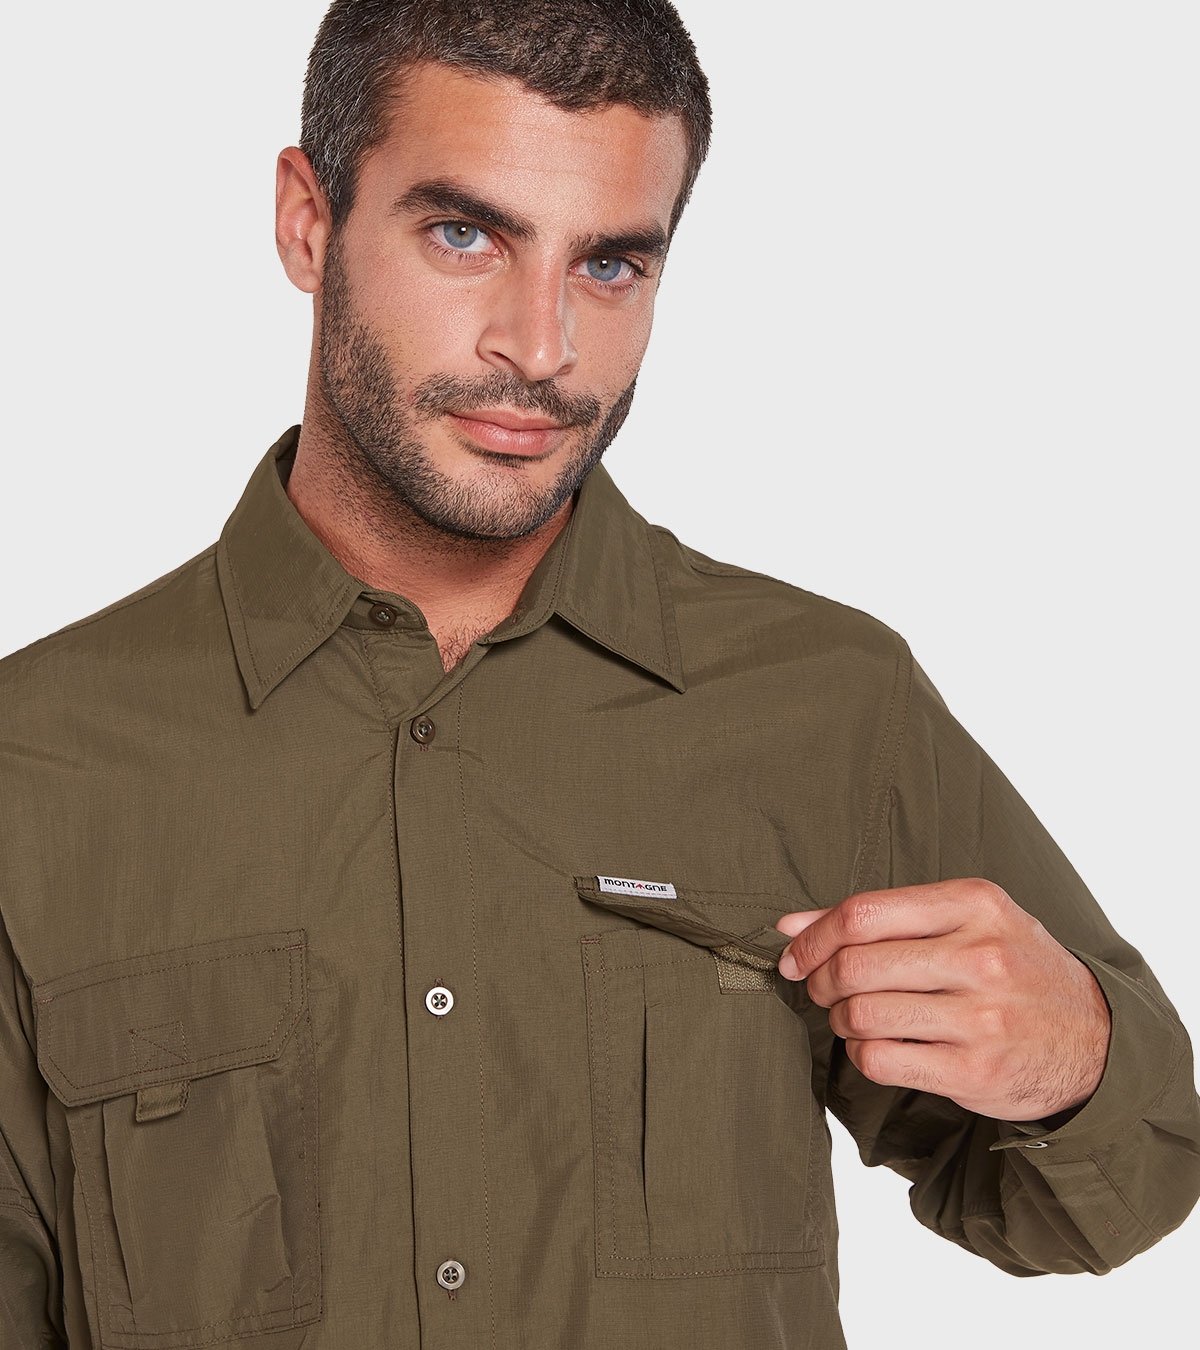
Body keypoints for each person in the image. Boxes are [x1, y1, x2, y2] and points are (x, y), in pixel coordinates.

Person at [1, 1, 1196, 1346]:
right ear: (307, 221)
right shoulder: (33, 768)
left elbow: (1112, 1191)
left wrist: (1074, 1060)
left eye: (611, 264)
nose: (541, 346)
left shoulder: (826, 703)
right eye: (466, 236)